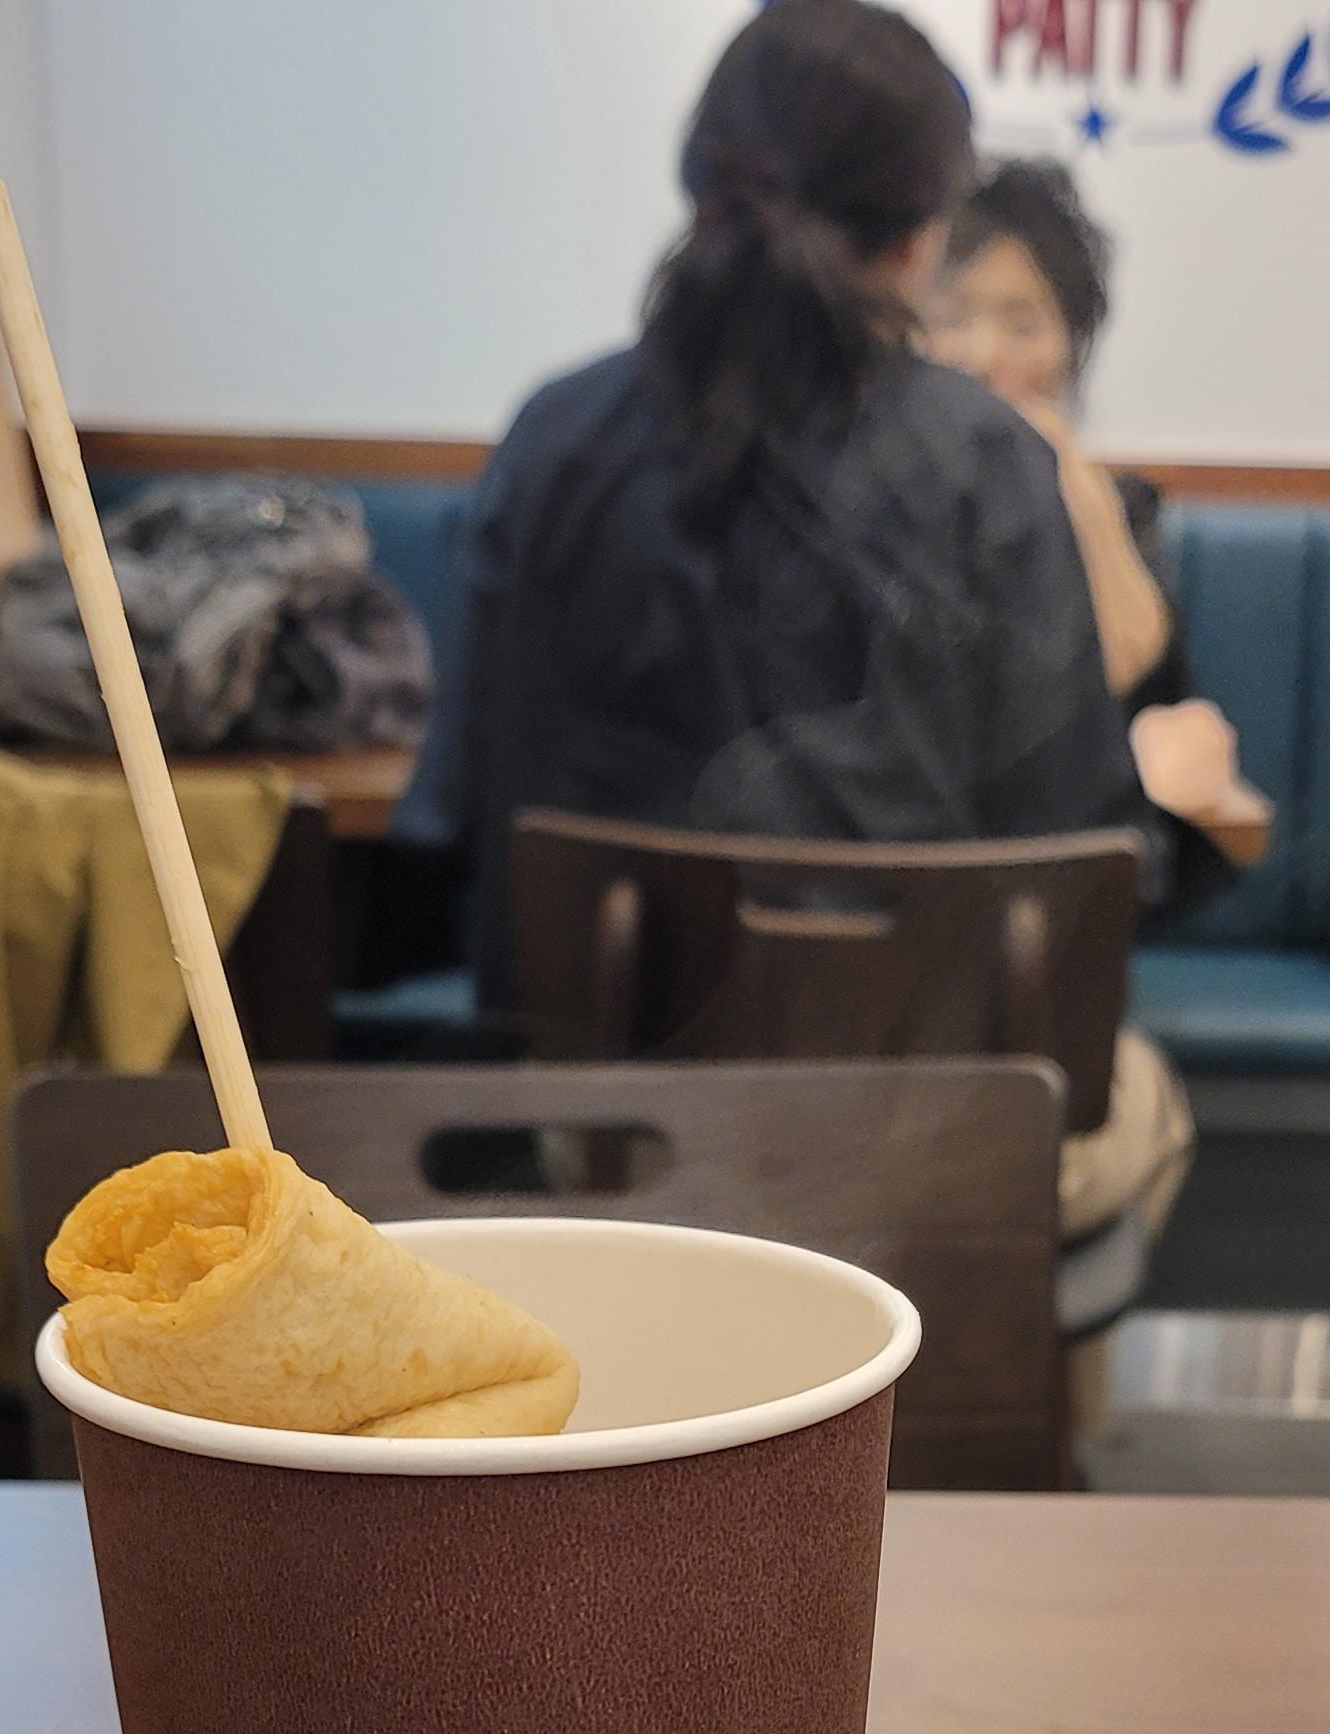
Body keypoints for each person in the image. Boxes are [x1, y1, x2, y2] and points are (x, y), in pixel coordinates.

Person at [396, 0, 1187, 1278]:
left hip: (599, 1147)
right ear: (922, 235)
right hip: (919, 1153)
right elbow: (1077, 861)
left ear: (701, 181)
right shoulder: (988, 463)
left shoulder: (555, 444)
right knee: (1153, 1103)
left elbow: (465, 815)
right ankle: (998, 1395)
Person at [925, 156, 1260, 902]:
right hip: (910, 867)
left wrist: (1076, 494)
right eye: (950, 318)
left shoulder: (1113, 508)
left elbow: (1135, 669)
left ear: (1071, 347)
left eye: (1023, 324)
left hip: (1065, 883)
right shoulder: (874, 508)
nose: (983, 356)